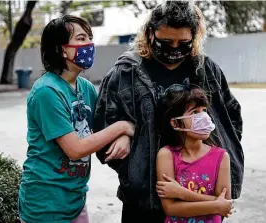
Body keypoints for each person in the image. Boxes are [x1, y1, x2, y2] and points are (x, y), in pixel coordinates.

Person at [93, 1, 243, 222]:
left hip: (200, 194)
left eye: (182, 42)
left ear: (194, 36)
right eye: (166, 41)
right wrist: (129, 150)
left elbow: (232, 119)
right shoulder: (126, 73)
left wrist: (208, 160)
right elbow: (102, 125)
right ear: (150, 33)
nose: (174, 48)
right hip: (144, 200)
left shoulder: (206, 70)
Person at [18, 15, 134, 223]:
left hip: (75, 200)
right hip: (45, 205)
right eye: (81, 38)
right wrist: (123, 126)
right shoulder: (47, 91)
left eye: (90, 37)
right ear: (62, 49)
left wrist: (124, 135)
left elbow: (104, 125)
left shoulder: (86, 88)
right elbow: (75, 149)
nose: (89, 44)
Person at [156, 88, 232, 223]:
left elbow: (225, 204)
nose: (203, 117)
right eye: (195, 112)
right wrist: (215, 205)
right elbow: (170, 208)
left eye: (204, 111)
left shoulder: (221, 156)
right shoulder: (166, 155)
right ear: (175, 122)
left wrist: (181, 193)